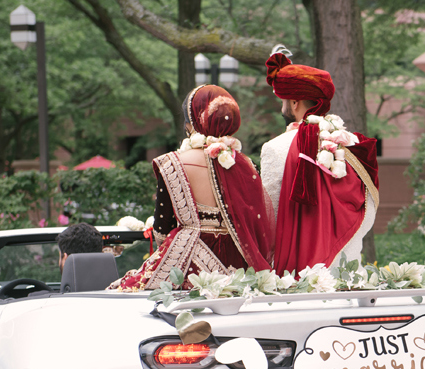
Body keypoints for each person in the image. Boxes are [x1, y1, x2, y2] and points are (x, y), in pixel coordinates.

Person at [112, 85, 275, 292]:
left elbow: (163, 230)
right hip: (242, 264)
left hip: (189, 262)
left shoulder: (172, 162)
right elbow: (258, 225)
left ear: (192, 123)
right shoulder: (246, 166)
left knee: (127, 291)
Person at [260, 51, 379, 275]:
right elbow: (368, 211)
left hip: (300, 276)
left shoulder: (275, 148)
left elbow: (270, 219)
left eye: (284, 101)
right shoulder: (354, 144)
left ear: (294, 102)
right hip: (352, 274)